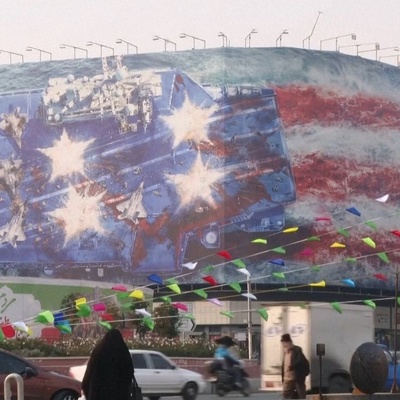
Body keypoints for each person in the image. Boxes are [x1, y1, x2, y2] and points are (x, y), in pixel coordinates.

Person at [82, 328, 134, 400]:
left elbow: (88, 375)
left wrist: (89, 394)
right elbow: (129, 372)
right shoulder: (123, 352)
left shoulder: (98, 352)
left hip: (98, 394)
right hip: (119, 394)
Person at [281, 333, 307, 399]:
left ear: (289, 342)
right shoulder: (286, 352)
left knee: (301, 394)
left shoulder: (297, 350)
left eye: (284, 343)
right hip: (287, 378)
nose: (283, 345)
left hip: (296, 377)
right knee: (286, 395)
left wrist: (292, 366)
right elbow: (284, 365)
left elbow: (300, 360)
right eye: (282, 343)